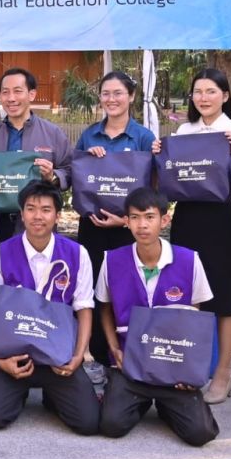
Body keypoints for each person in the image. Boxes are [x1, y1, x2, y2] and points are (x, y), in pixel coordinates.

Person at [154, 67, 231, 405]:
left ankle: (222, 374)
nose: (203, 97)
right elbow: (173, 177)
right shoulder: (183, 131)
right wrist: (160, 155)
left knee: (224, 302)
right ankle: (190, 369)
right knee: (185, 296)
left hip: (220, 220)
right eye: (198, 91)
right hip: (187, 218)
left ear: (225, 95)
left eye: (211, 91)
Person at [97, 187, 219, 446]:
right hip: (130, 364)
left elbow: (196, 316)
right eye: (135, 217)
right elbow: (105, 308)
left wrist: (191, 368)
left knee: (200, 433)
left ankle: (166, 405)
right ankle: (138, 400)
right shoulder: (112, 260)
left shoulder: (189, 260)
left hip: (173, 364)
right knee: (112, 425)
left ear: (164, 220)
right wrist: (114, 349)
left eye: (149, 217)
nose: (142, 225)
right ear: (126, 221)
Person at [0, 181, 99, 435]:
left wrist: (77, 356)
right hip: (14, 356)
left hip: (58, 356)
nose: (37, 216)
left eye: (46, 209)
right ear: (22, 214)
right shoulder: (0, 253)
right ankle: (16, 392)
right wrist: (2, 360)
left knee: (88, 422)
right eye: (30, 209)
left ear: (57, 215)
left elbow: (84, 308)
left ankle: (53, 397)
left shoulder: (77, 254)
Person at [74, 70, 157, 378]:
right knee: (94, 291)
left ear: (131, 96)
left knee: (128, 292)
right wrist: (88, 157)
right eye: (106, 93)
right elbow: (78, 177)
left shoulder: (143, 138)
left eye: (118, 93)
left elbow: (153, 190)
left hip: (128, 231)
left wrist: (126, 220)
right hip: (93, 228)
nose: (112, 99)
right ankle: (97, 356)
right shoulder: (89, 135)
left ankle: (129, 357)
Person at [0, 67, 72, 252]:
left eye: (18, 91)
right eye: (5, 92)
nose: (11, 98)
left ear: (31, 94)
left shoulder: (52, 134)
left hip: (38, 224)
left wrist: (53, 176)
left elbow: (69, 170)